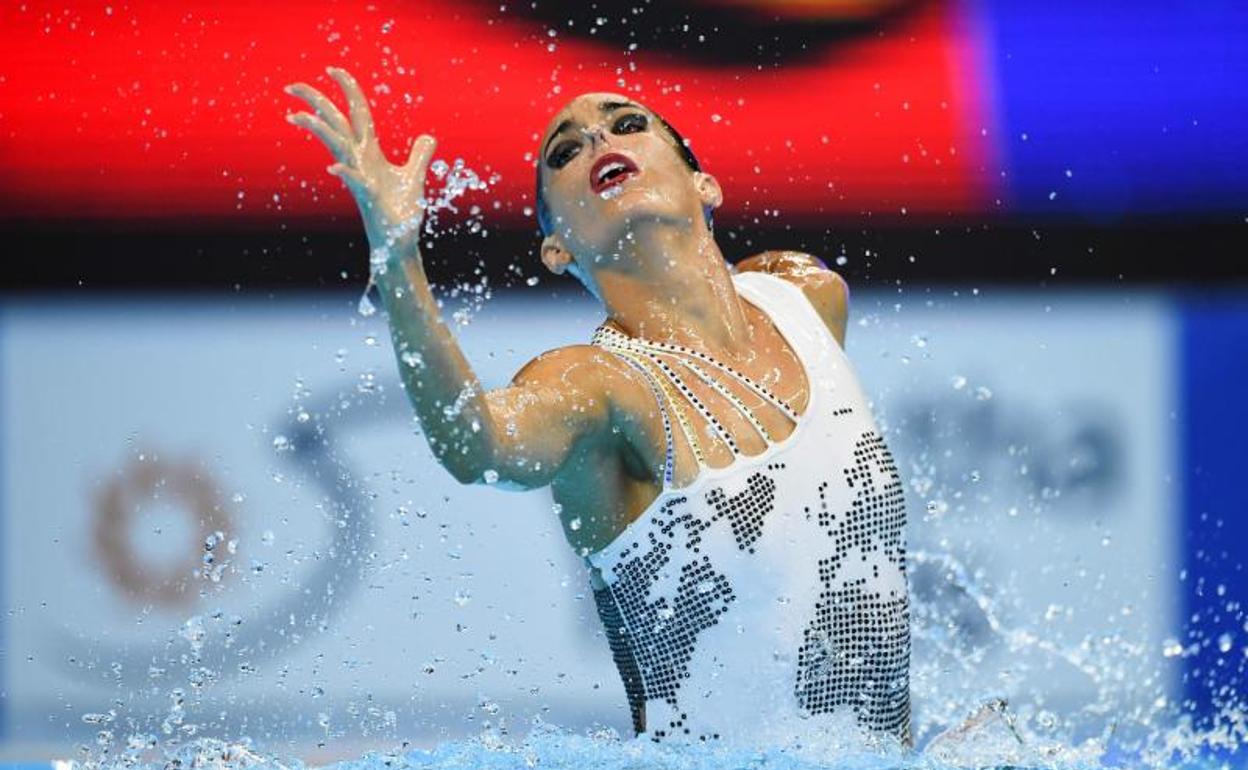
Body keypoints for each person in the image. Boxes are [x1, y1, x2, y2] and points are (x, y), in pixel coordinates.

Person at [285, 66, 912, 747]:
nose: (595, 137)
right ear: (556, 249)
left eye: (626, 124)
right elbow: (477, 446)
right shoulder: (597, 388)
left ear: (705, 184)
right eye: (564, 151)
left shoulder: (806, 296)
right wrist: (400, 259)